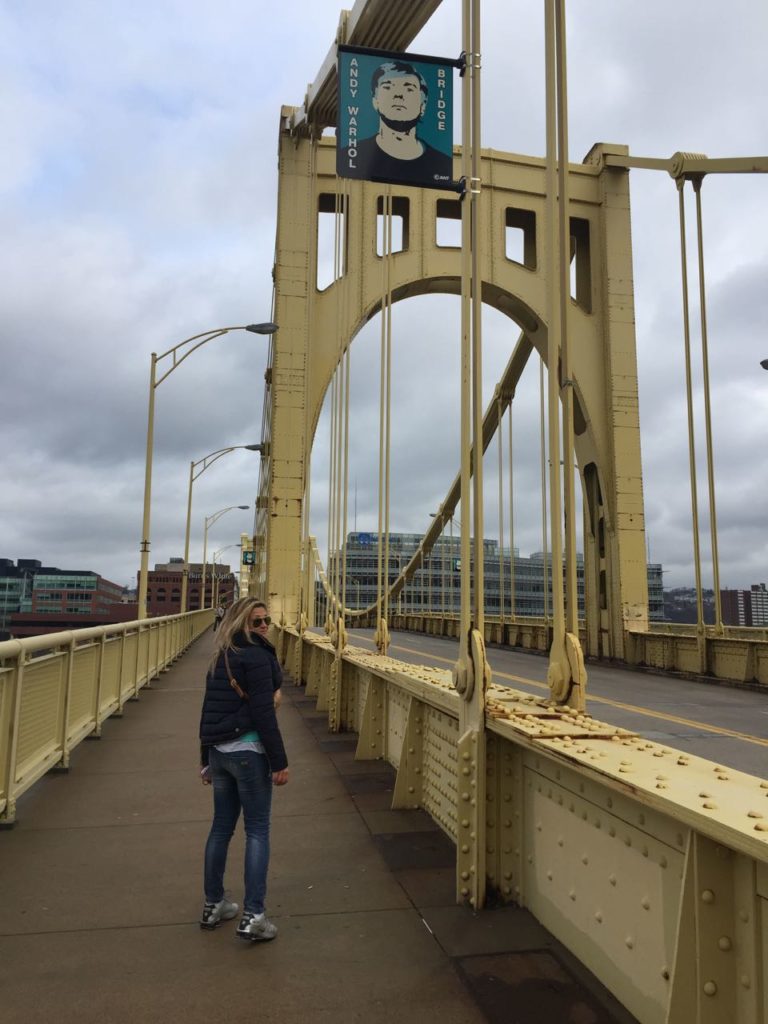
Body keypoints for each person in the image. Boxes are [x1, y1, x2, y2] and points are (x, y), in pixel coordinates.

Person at [198, 597, 288, 941]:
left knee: (221, 829)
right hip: (249, 753)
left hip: (220, 753)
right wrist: (279, 762)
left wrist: (205, 759)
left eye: (267, 621)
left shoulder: (220, 656)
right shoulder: (258, 657)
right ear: (241, 625)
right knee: (257, 832)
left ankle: (213, 904)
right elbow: (264, 714)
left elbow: (207, 709)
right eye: (257, 622)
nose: (265, 626)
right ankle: (254, 915)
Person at [339, 60, 452, 187]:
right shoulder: (350, 157)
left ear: (423, 104)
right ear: (375, 101)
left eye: (409, 89)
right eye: (388, 87)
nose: (398, 95)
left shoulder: (442, 165)